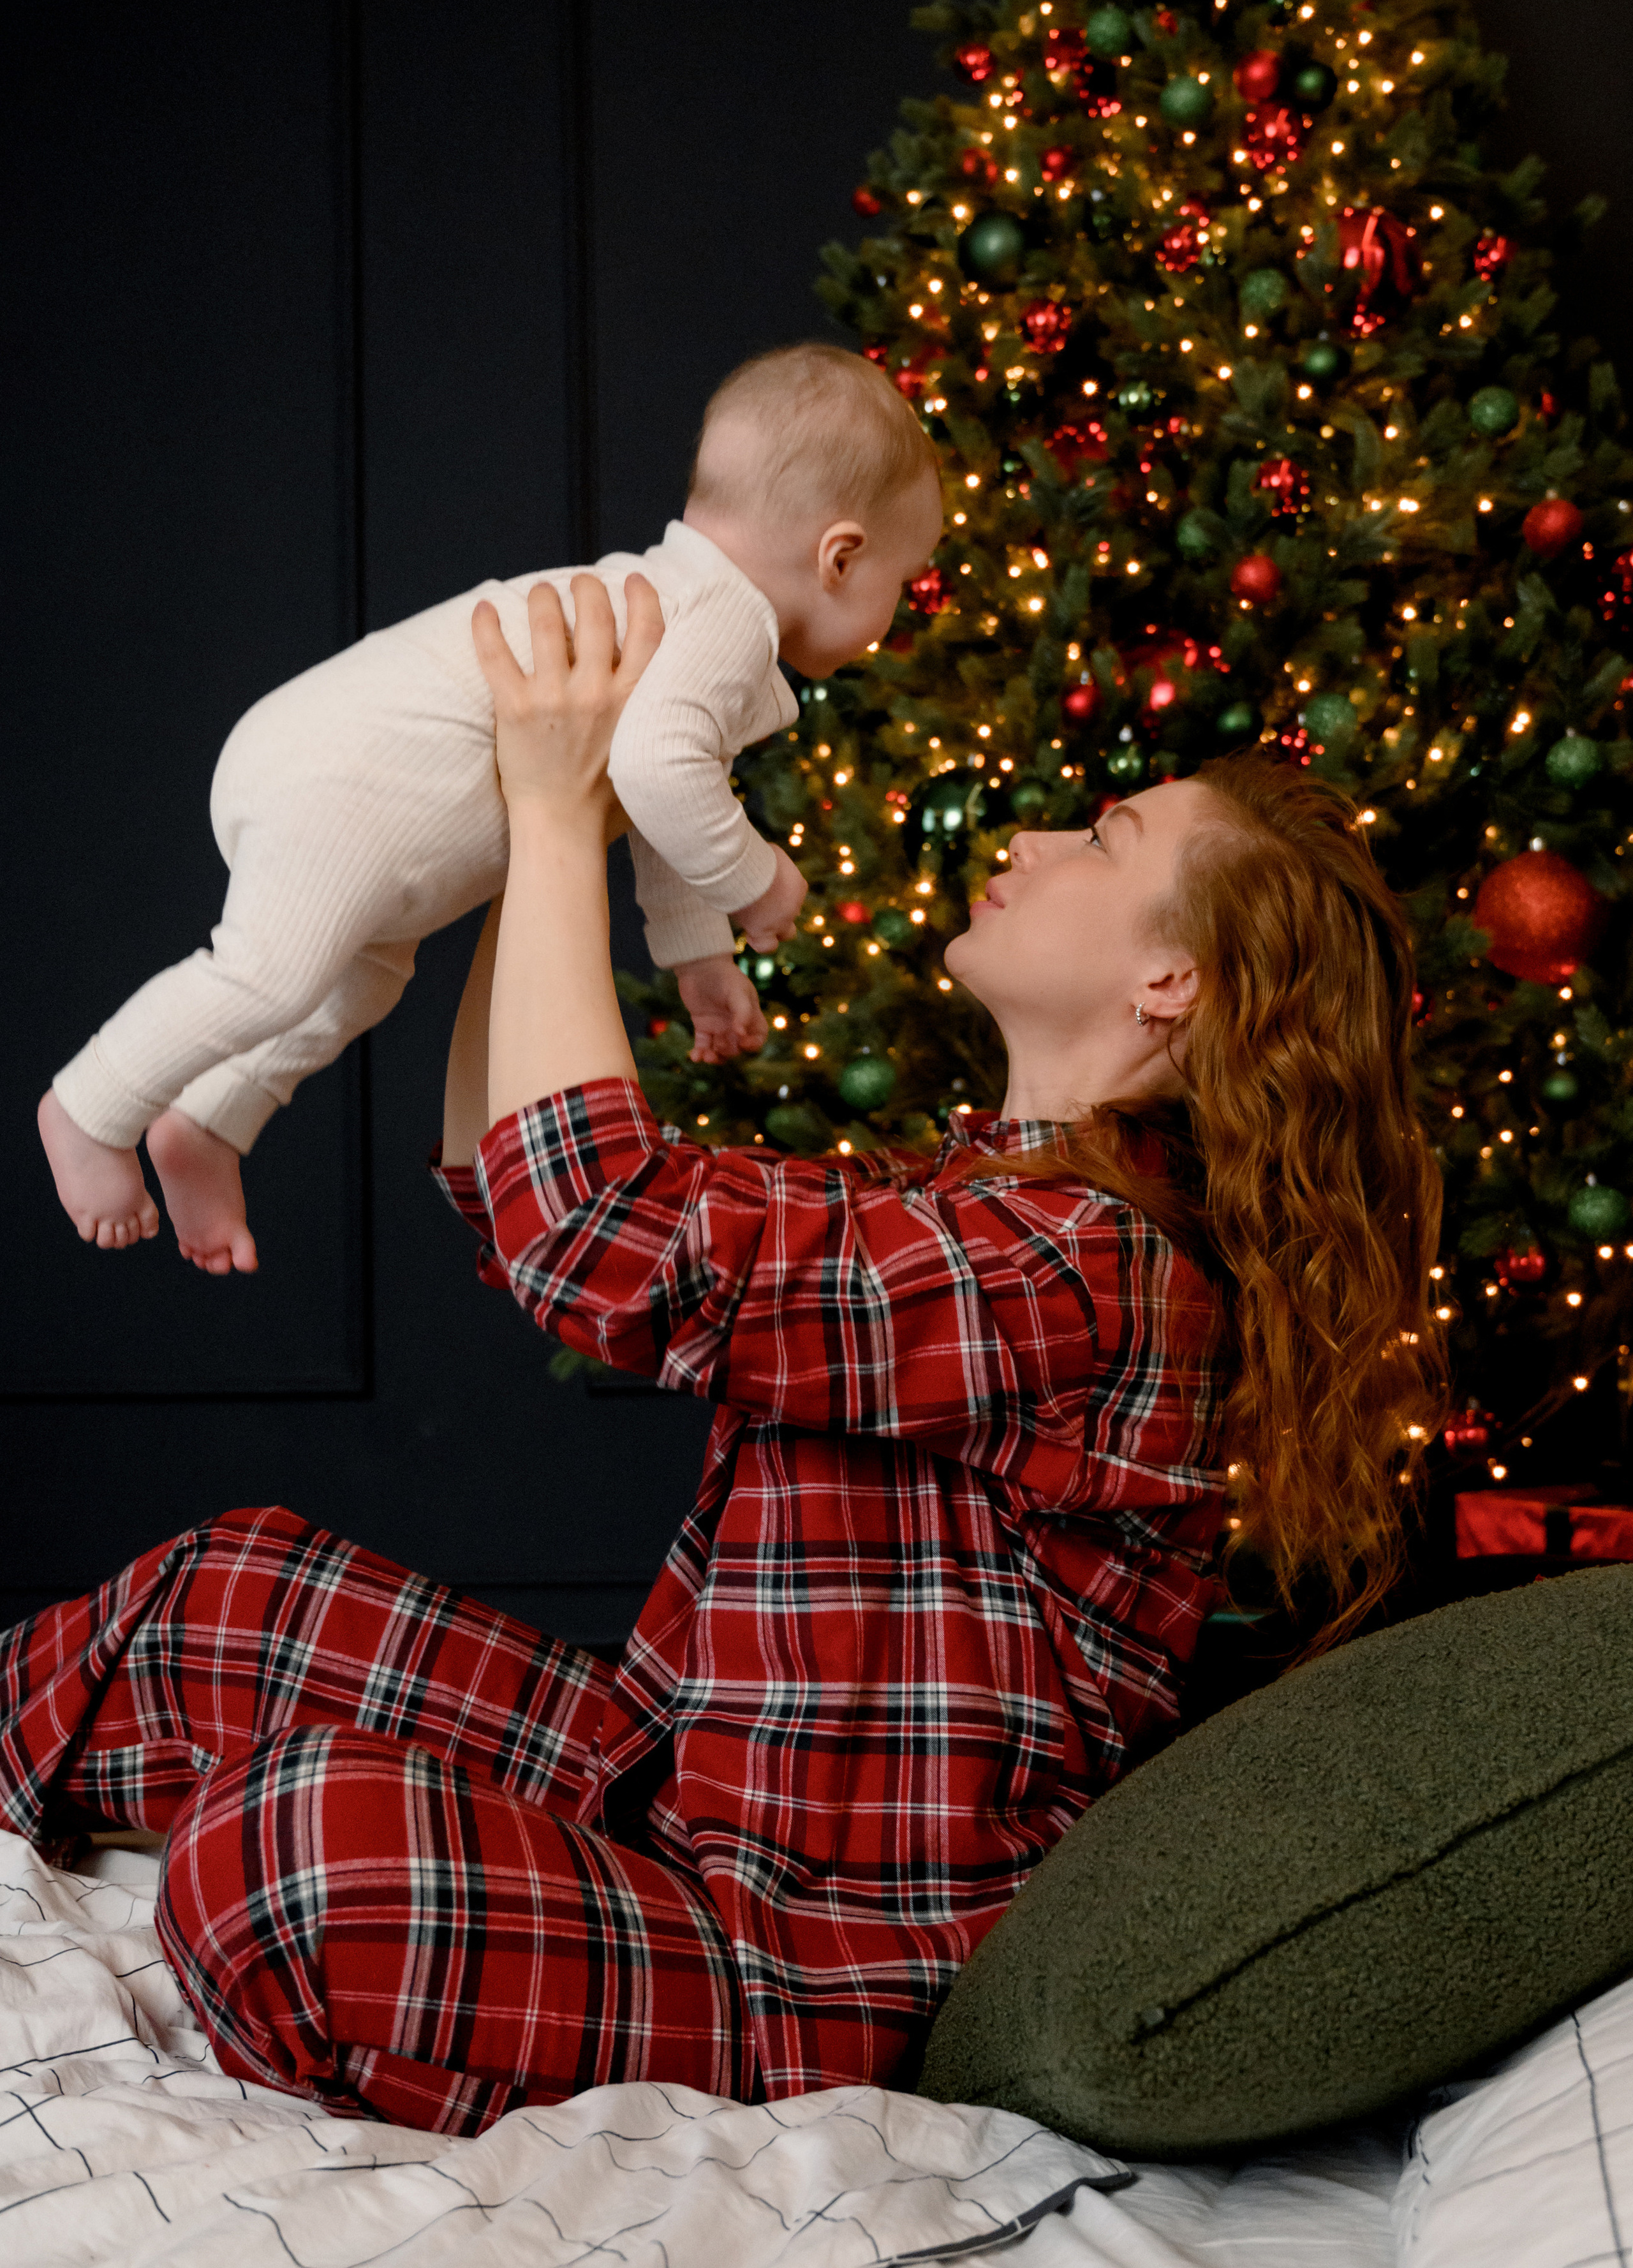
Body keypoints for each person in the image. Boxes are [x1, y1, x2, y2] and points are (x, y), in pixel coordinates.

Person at [0, 575, 1442, 2136]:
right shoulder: (962, 1198)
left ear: (1170, 984)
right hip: (681, 1777)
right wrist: (533, 827)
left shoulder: (1089, 1266)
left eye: (1099, 842)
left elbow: (597, 1224)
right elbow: (524, 1194)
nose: (1027, 843)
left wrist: (562, 817)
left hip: (818, 1939)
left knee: (292, 1854)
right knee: (221, 1595)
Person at [38, 342, 942, 1274]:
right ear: (840, 556)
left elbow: (657, 794)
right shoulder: (728, 619)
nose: (900, 610)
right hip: (342, 771)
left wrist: (699, 954)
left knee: (362, 975)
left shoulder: (683, 603)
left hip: (351, 785)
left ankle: (210, 1120)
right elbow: (662, 766)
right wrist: (757, 878)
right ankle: (89, 1106)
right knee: (270, 972)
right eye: (905, 584)